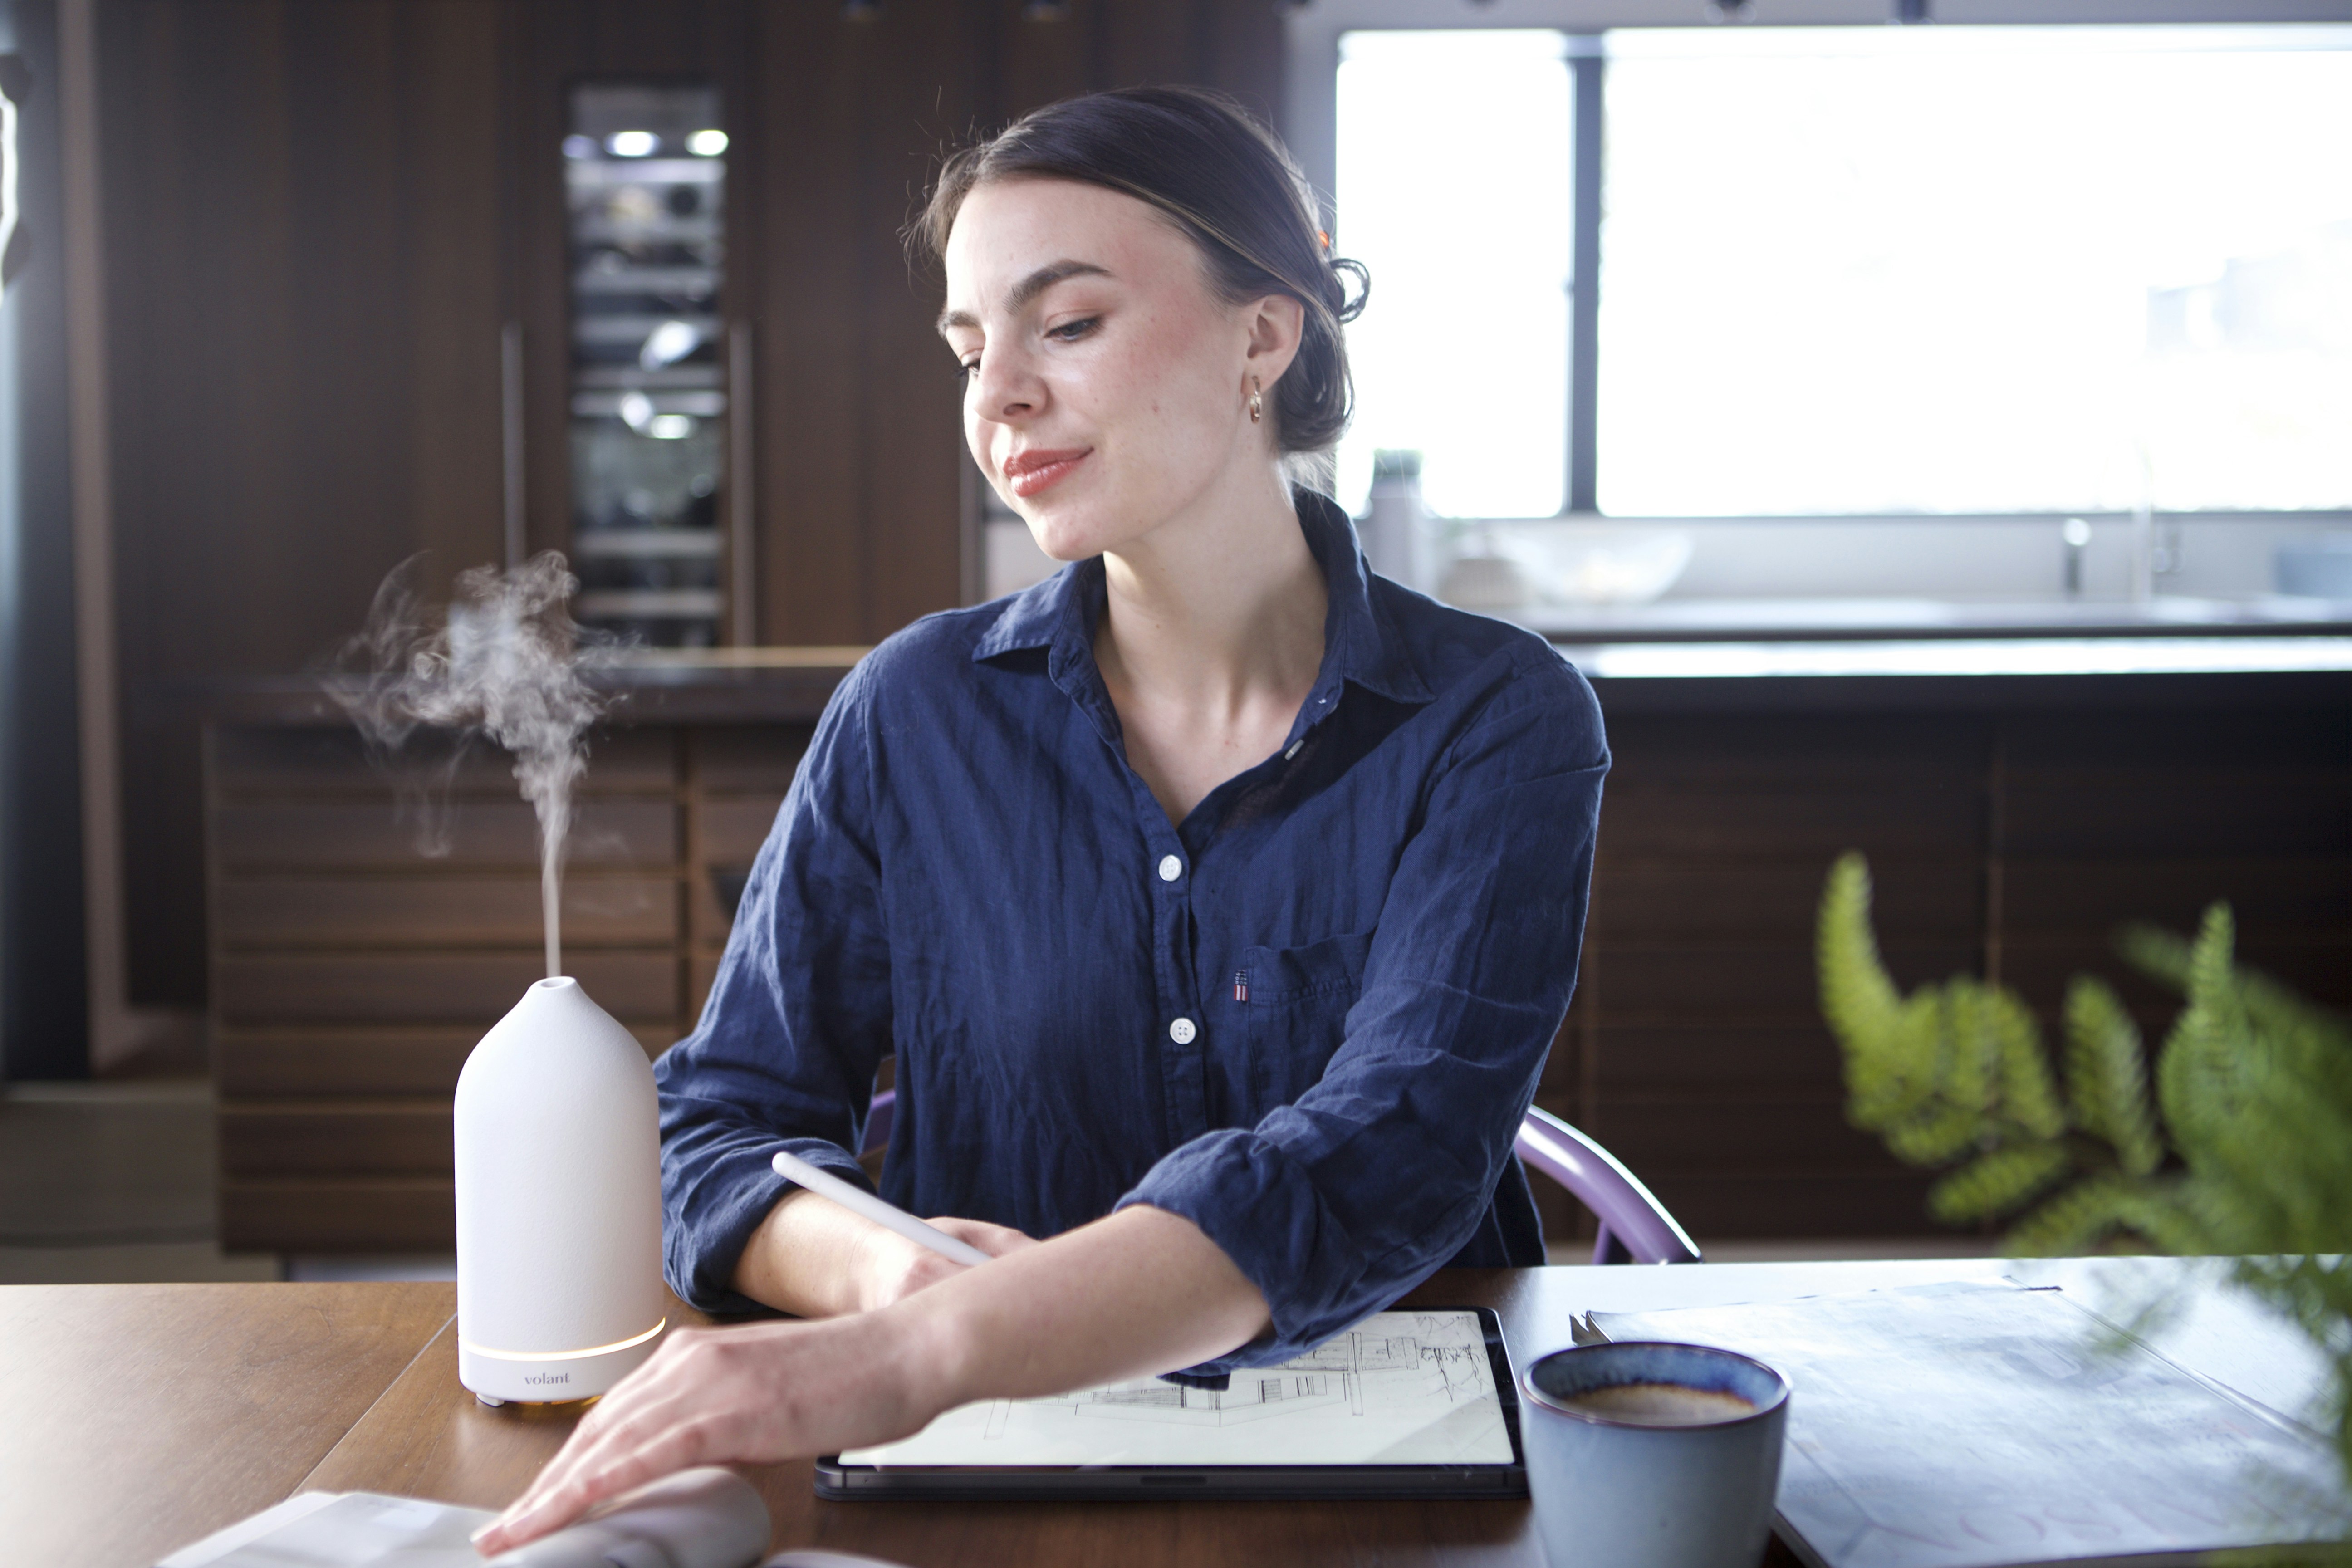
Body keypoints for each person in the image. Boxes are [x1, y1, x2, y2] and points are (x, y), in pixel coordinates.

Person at [475, 83, 1606, 1554]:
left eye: (1065, 325)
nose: (996, 393)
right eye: (968, 347)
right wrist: (892, 1287)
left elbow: (1391, 1147)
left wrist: (924, 1351)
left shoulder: (1497, 718)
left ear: (1264, 336)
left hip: (1389, 1482)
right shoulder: (912, 710)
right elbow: (720, 1125)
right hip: (976, 1483)